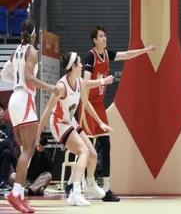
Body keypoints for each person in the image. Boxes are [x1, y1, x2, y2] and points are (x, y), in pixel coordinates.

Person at [80, 25, 155, 202]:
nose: (104, 38)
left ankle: (106, 189)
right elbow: (85, 83)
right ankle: (78, 185)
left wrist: (145, 50)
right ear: (94, 40)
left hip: (99, 105)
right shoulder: (90, 56)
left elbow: (126, 54)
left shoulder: (107, 55)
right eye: (101, 36)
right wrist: (103, 81)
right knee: (85, 148)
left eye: (105, 35)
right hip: (86, 105)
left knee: (106, 145)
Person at [38, 52, 113, 206]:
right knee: (83, 152)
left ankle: (90, 184)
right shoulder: (61, 86)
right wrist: (38, 136)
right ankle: (75, 192)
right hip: (59, 124)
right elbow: (46, 111)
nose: (82, 65)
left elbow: (86, 99)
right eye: (79, 62)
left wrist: (100, 123)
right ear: (72, 66)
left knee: (92, 155)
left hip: (70, 121)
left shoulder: (79, 81)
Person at [2, 19, 58, 213]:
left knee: (23, 150)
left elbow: (4, 75)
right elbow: (29, 77)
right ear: (33, 34)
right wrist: (50, 87)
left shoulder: (16, 51)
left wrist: (17, 82)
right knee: (29, 149)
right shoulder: (32, 51)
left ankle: (20, 195)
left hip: (14, 99)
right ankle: (15, 193)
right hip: (24, 99)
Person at [0, 103, 16, 191]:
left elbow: (12, 143)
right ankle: (17, 165)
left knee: (7, 151)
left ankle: (2, 182)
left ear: (3, 112)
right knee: (8, 144)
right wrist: (5, 142)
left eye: (0, 110)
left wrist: (3, 142)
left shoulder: (8, 127)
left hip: (4, 157)